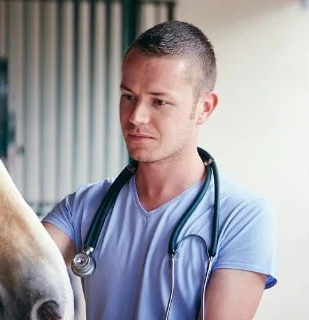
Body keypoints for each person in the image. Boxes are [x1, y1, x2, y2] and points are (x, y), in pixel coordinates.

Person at [42, 20, 278, 320]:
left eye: (159, 102)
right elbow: (16, 268)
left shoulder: (241, 217)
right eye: (128, 96)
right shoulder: (84, 206)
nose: (136, 117)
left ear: (204, 108)